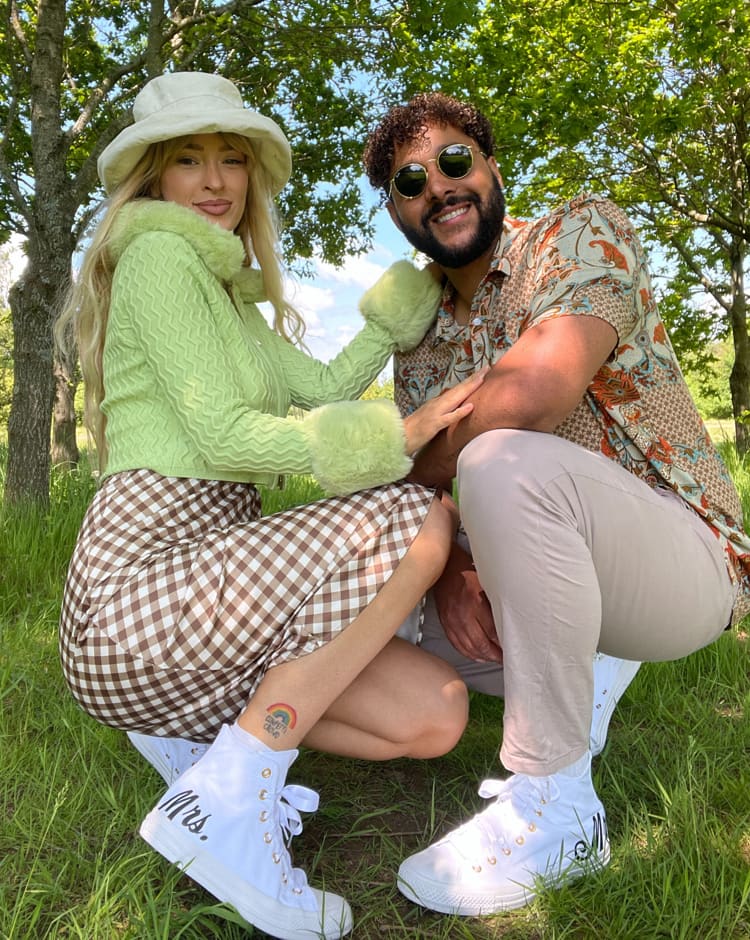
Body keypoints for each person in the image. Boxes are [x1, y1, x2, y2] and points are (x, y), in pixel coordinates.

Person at [56, 72, 485, 940]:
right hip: (136, 590)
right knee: (415, 517)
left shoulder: (227, 294)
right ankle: (230, 797)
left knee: (435, 713)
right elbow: (222, 436)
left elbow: (321, 387)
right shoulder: (158, 257)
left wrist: (394, 314)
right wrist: (399, 437)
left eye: (231, 159)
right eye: (189, 160)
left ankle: (205, 746)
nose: (215, 180)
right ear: (154, 177)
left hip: (213, 585)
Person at [362, 92, 750, 916]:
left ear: (490, 165)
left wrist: (418, 465)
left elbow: (533, 395)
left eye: (454, 160)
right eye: (410, 181)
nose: (438, 186)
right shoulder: (418, 333)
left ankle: (559, 806)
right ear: (396, 211)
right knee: (369, 558)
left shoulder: (577, 233)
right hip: (535, 564)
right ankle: (227, 731)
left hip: (684, 563)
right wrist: (447, 566)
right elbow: (414, 488)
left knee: (501, 455)